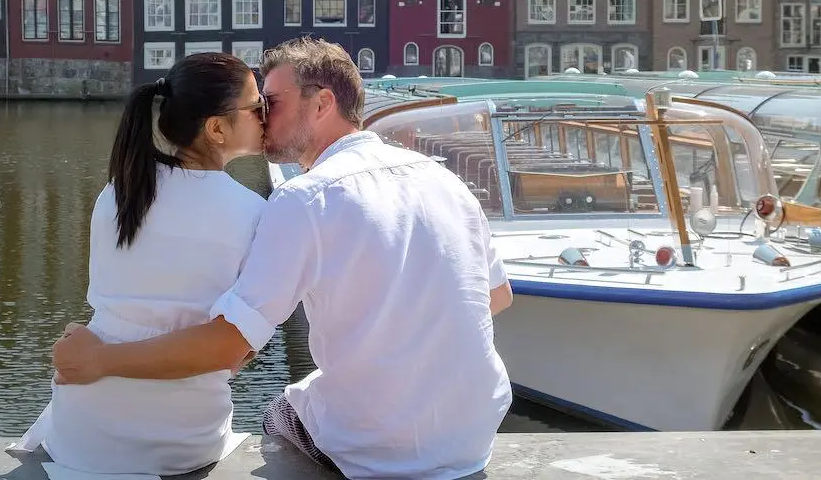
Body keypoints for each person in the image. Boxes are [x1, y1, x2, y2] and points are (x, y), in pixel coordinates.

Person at [53, 37, 514, 479]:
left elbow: (231, 345)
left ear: (322, 104)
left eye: (272, 102)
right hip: (473, 436)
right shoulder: (445, 180)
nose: (264, 117)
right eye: (258, 107)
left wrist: (100, 359)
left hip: (377, 449)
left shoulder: (305, 199)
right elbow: (496, 295)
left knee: (278, 412)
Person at [20, 52, 268, 475]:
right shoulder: (252, 212)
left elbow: (117, 302)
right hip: (181, 441)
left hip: (82, 430)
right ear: (217, 128)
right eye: (257, 107)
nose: (266, 115)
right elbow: (234, 350)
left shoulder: (118, 194)